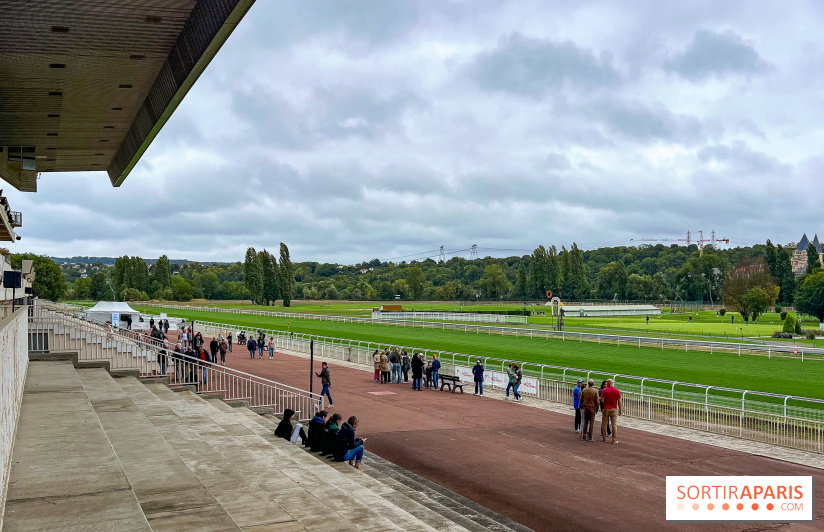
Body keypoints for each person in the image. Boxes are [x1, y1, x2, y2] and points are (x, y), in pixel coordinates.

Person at [600, 379, 622, 443]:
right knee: (614, 425)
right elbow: (619, 402)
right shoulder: (617, 390)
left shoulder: (605, 390)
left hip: (606, 408)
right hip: (614, 409)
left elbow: (602, 400)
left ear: (608, 383)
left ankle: (604, 438)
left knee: (604, 423)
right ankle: (614, 439)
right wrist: (620, 409)